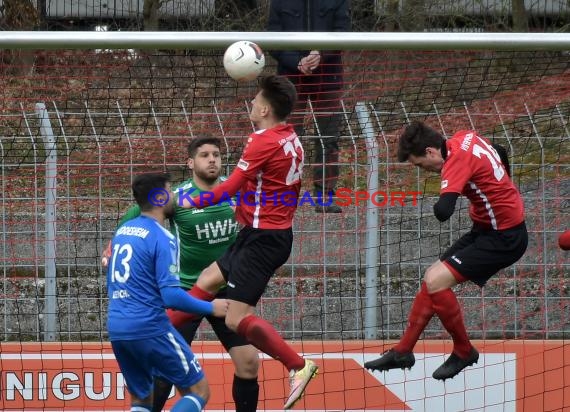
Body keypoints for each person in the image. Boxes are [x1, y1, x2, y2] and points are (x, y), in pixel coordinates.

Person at [173, 75, 317, 410]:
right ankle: (158, 330)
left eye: (255, 100)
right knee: (208, 279)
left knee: (237, 319)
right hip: (261, 234)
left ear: (265, 108)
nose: (251, 103)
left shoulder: (261, 140)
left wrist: (189, 202)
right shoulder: (291, 136)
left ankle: (298, 365)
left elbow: (229, 186)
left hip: (262, 240)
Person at [365, 121, 528, 380]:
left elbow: (443, 212)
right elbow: (499, 149)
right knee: (431, 279)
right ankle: (403, 351)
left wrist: (448, 185)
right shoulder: (464, 137)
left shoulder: (454, 161)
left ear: (431, 152)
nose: (424, 171)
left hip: (504, 237)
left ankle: (464, 350)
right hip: (487, 229)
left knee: (437, 280)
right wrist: (505, 186)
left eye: (420, 165)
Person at [111, 137, 260, 412]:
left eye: (216, 154)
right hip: (186, 290)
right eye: (205, 155)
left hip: (227, 290)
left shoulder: (235, 191)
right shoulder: (176, 197)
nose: (212, 159)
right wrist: (114, 242)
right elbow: (139, 210)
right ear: (191, 163)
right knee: (164, 373)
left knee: (249, 361)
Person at [106, 172, 228, 412]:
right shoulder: (163, 237)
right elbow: (171, 296)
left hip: (117, 327)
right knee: (199, 391)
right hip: (149, 326)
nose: (174, 196)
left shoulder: (123, 232)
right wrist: (211, 307)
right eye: (171, 191)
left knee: (141, 399)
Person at [267, 0, 351, 213]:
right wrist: (296, 61)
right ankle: (283, 195)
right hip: (290, 79)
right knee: (286, 140)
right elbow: (272, 39)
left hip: (328, 78)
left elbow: (342, 32)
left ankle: (324, 196)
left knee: (329, 139)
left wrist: (319, 54)